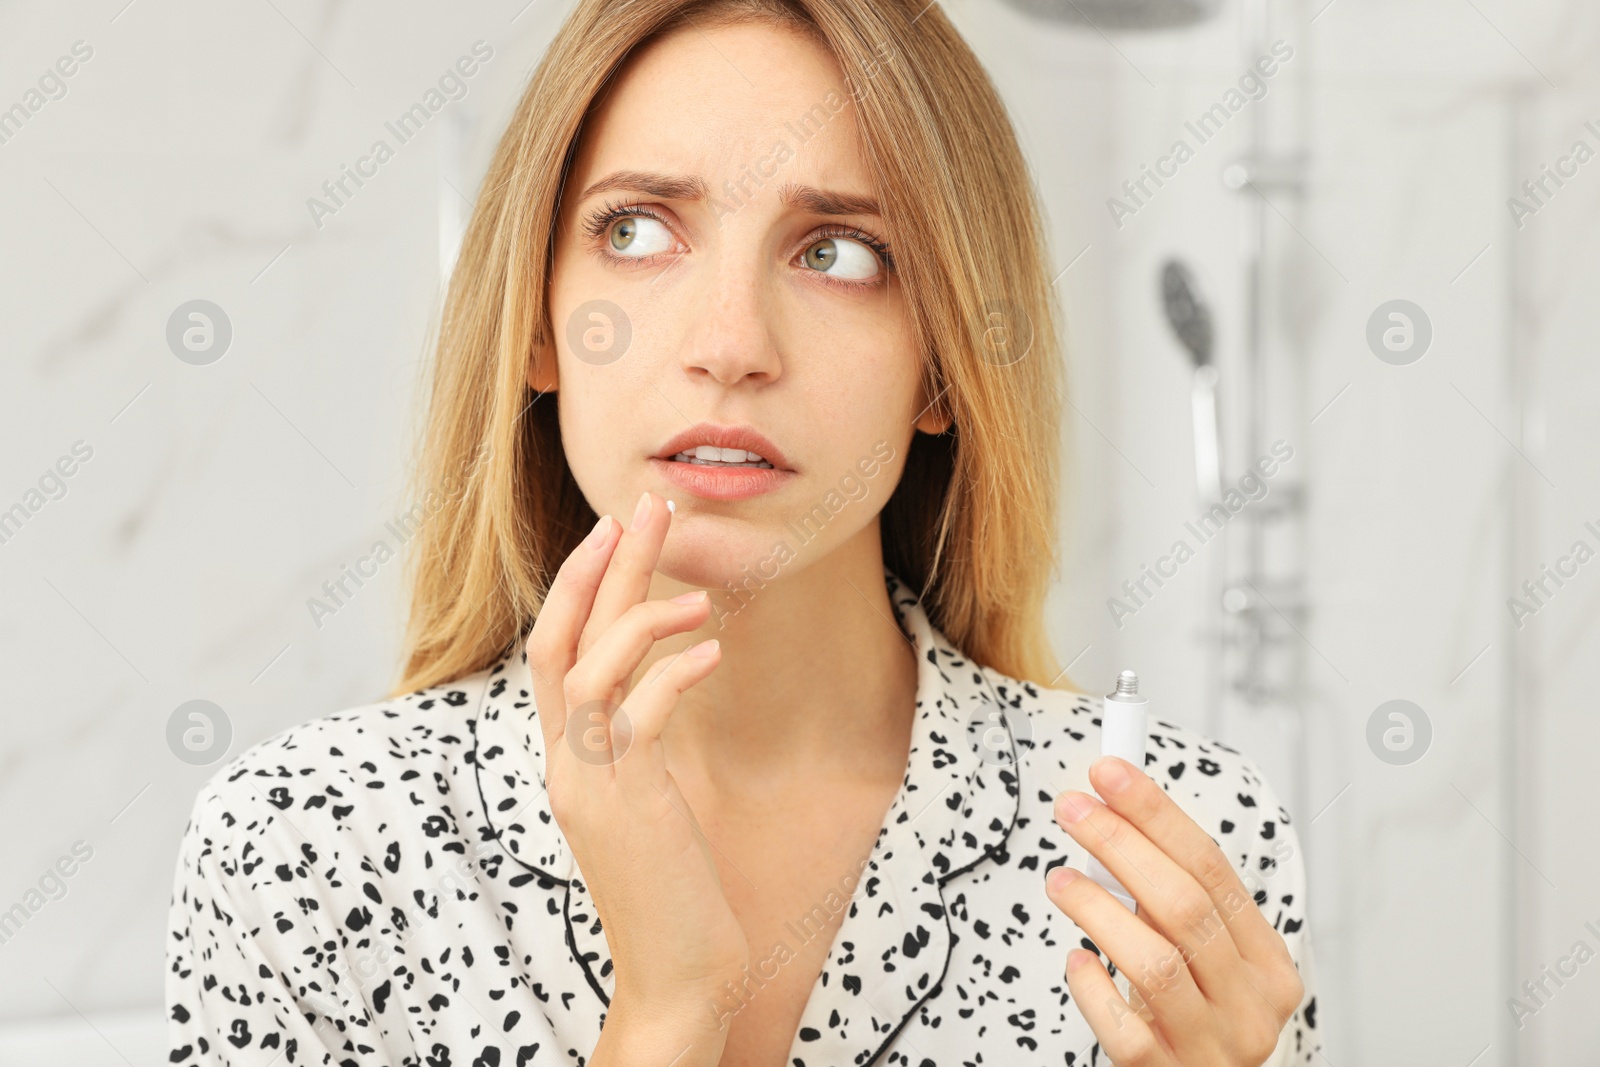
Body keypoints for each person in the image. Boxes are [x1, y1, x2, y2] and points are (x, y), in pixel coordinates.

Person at [166, 0, 1321, 1063]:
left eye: (839, 253)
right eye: (636, 230)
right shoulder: (302, 847)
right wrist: (672, 1004)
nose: (731, 342)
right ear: (537, 325)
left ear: (944, 367)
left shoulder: (1172, 846)